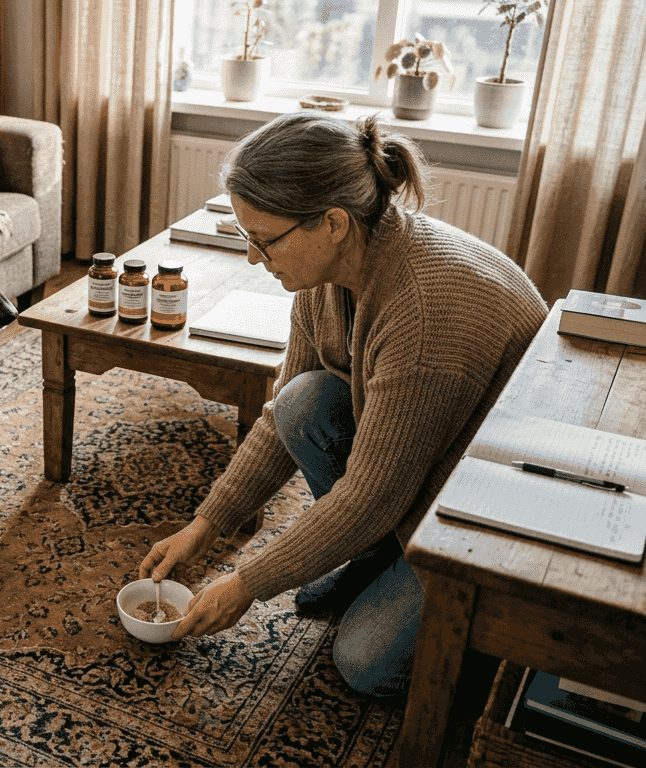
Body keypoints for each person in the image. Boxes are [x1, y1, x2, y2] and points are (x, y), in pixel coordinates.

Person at [138, 113, 548, 697]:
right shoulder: (328, 274)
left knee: (365, 663)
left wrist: (246, 584)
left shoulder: (424, 315)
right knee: (302, 401)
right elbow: (281, 418)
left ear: (333, 222)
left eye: (264, 240)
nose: (254, 257)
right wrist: (206, 526)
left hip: (488, 518)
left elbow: (372, 494)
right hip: (422, 468)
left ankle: (490, 637)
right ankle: (379, 555)